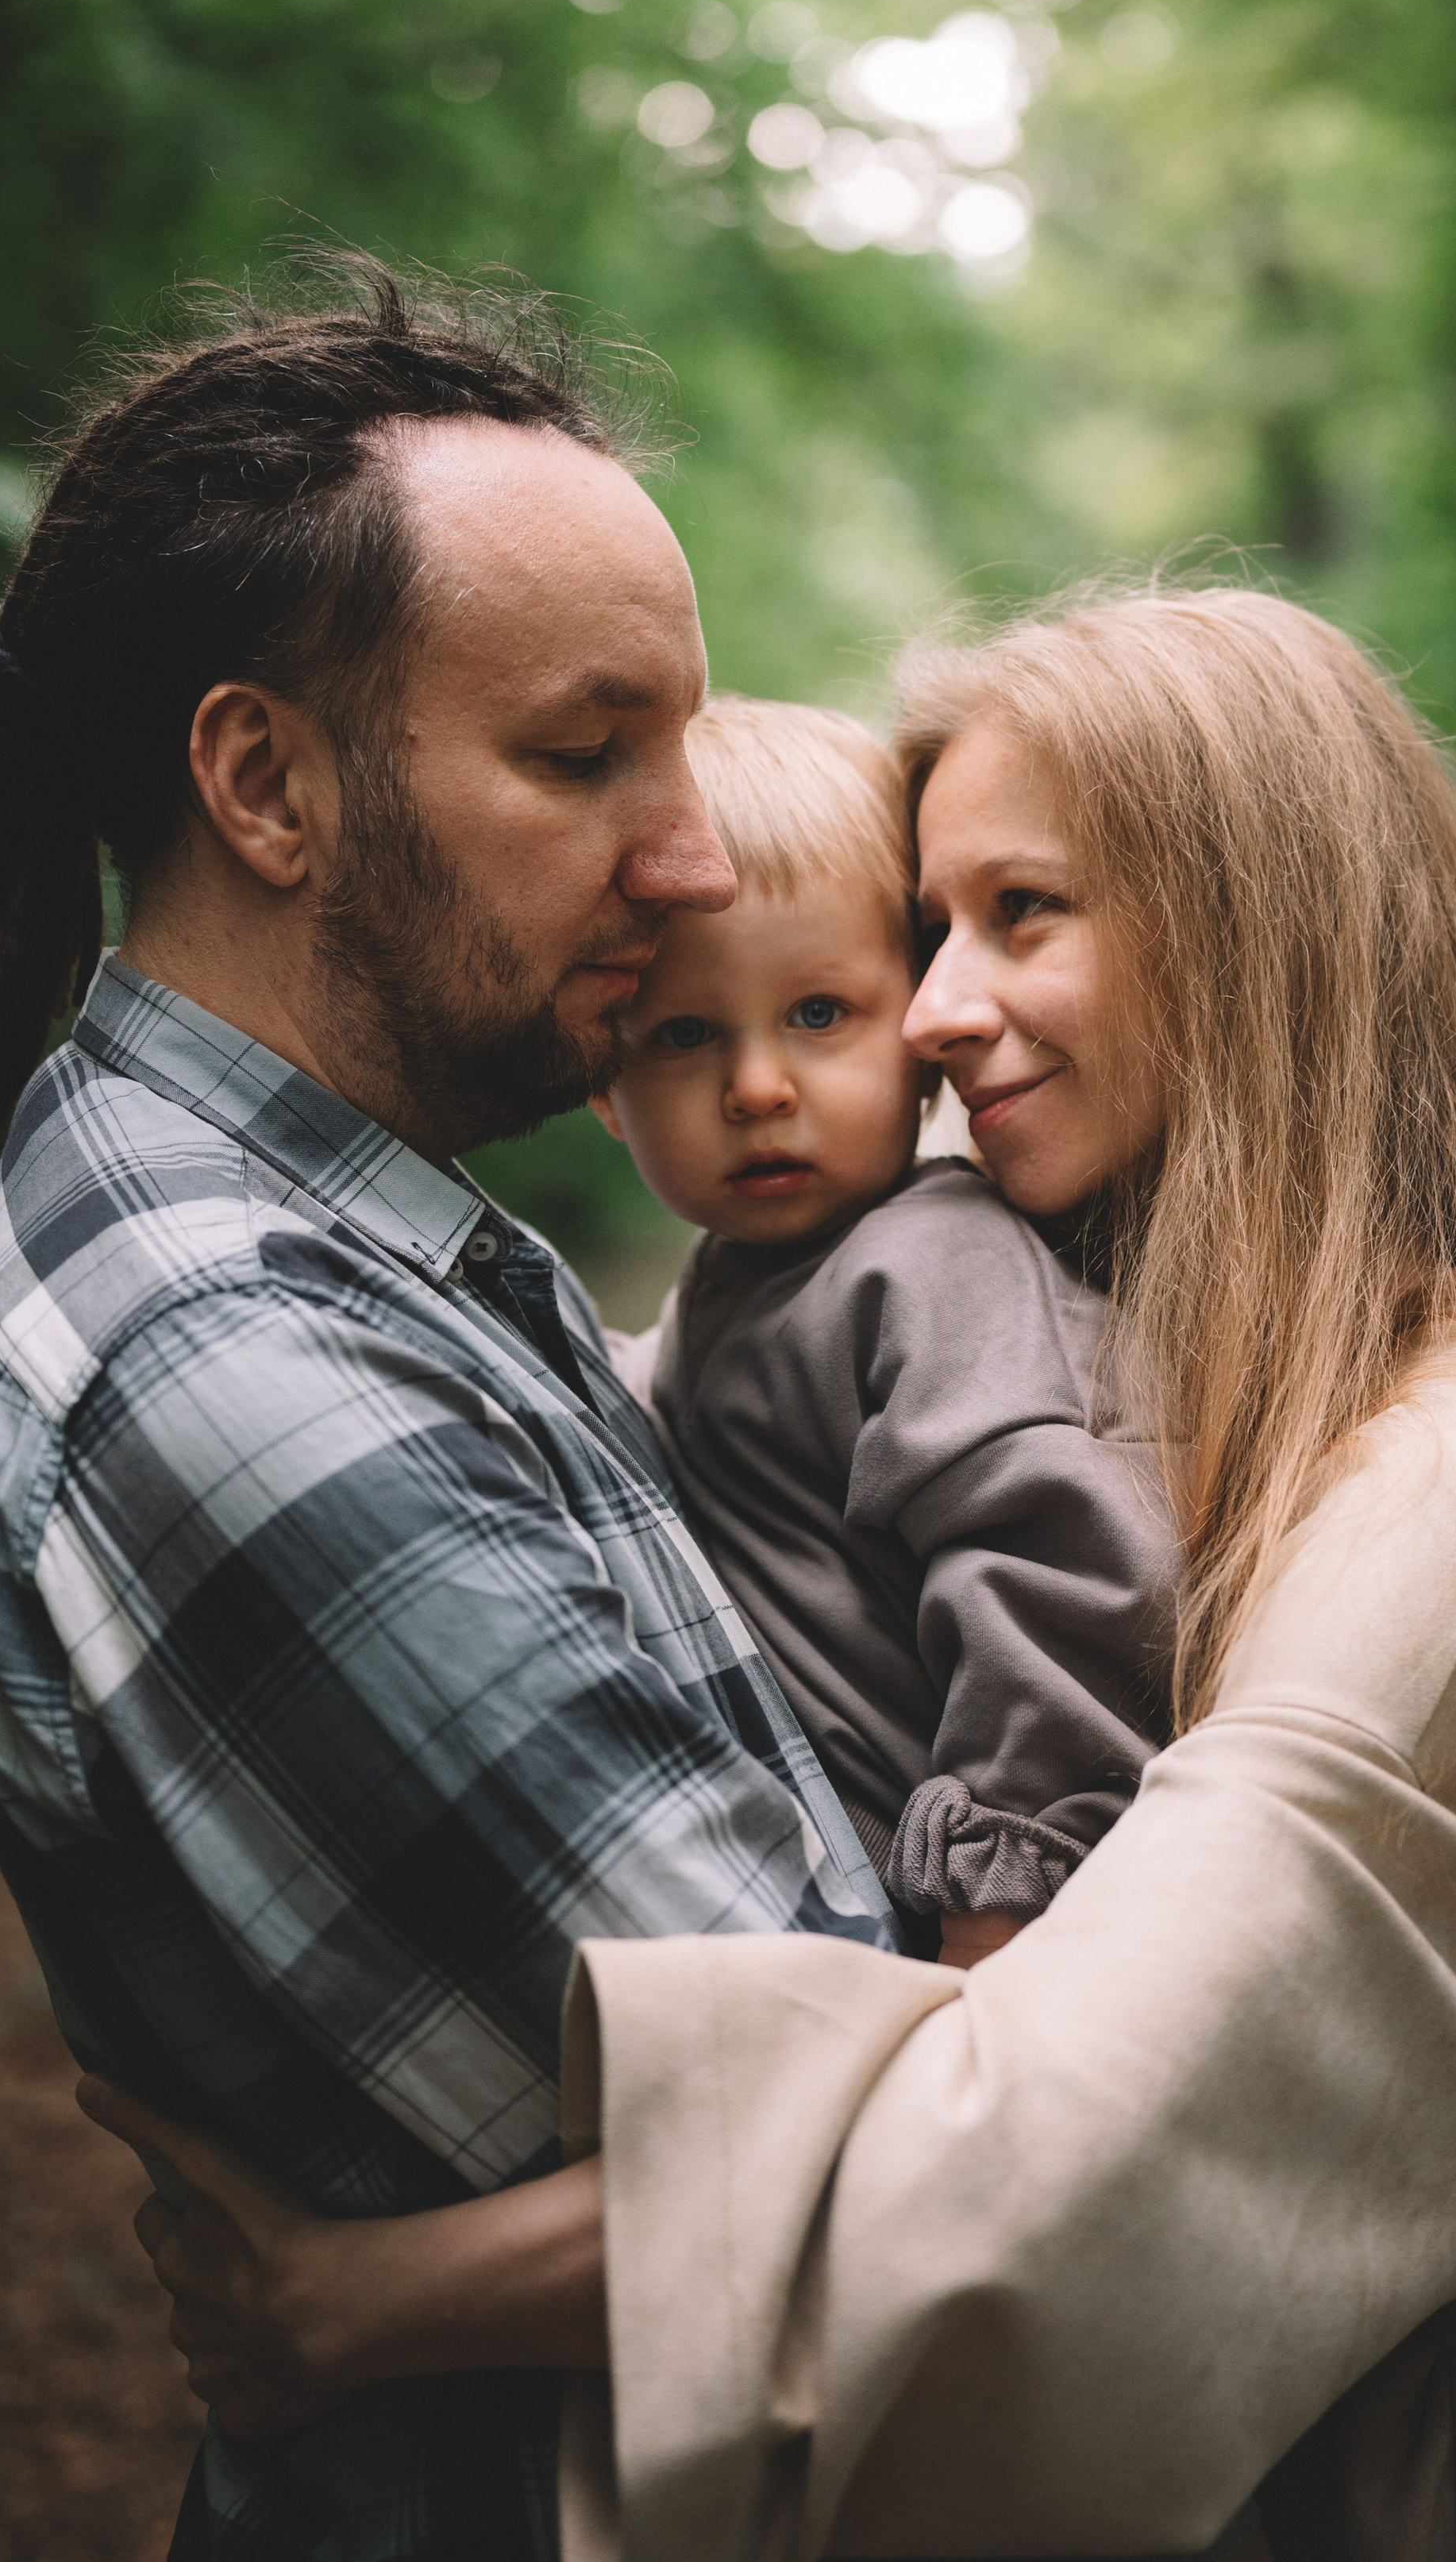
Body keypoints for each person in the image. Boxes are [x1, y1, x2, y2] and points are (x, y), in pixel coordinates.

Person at [86, 583, 1456, 2562]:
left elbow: (1049, 2174)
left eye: (1021, 915)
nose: (924, 1012)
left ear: (1257, 929)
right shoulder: (1204, 1351)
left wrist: (367, 2303)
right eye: (930, 931)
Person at [0, 261, 900, 2562]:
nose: (689, 857)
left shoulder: (358, 1236)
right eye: (586, 757)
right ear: (266, 782)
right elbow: (911, 2141)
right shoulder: (224, 1350)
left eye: (682, 749)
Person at [591, 692, 1181, 1971]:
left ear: (916, 1031)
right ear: (602, 1079)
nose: (758, 1089)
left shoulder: (933, 1268)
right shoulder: (731, 1287)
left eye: (818, 1014)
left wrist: (1003, 1903)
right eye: (687, 1035)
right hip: (800, 1921)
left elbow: (1063, 1581)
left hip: (979, 1936)